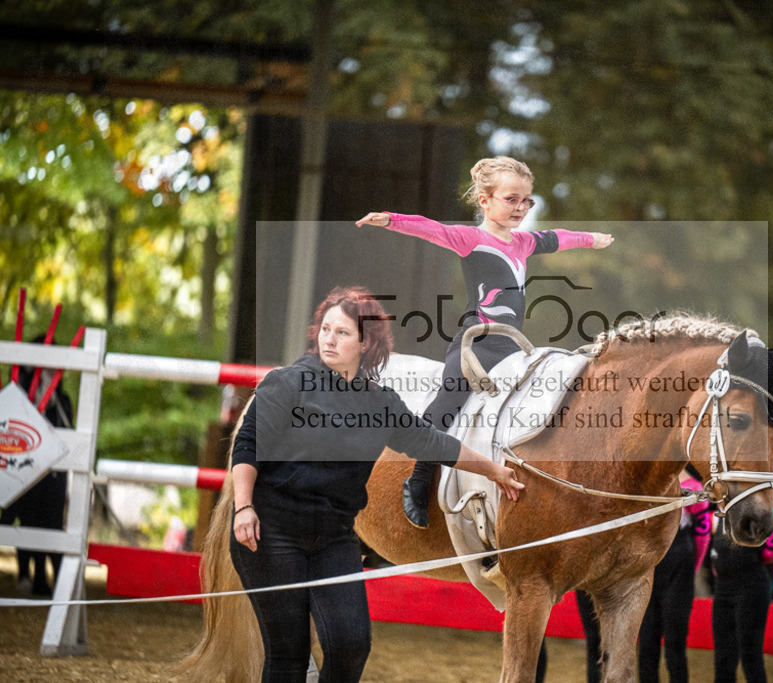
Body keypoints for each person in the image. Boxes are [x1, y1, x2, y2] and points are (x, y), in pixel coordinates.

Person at [229, 285, 524, 682]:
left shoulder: (379, 404)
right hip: (273, 528)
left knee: (351, 646)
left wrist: (495, 471)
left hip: (333, 537)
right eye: (326, 329)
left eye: (343, 333)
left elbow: (432, 441)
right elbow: (247, 446)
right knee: (289, 654)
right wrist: (243, 507)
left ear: (366, 344)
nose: (329, 339)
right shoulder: (287, 383)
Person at [356, 155, 614, 528]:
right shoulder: (471, 239)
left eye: (527, 201)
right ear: (485, 201)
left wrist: (591, 240)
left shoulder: (524, 242)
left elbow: (557, 238)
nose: (520, 208)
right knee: (446, 405)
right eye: (511, 199)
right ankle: (419, 476)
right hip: (474, 343)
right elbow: (429, 229)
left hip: (512, 346)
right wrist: (390, 219)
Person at [0, 340, 73, 597]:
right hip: (26, 468)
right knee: (27, 517)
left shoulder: (60, 401)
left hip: (53, 475)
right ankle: (26, 573)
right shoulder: (18, 394)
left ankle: (56, 582)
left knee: (51, 522)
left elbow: (65, 432)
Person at [636, 470, 712, 682]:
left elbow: (703, 534)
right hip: (648, 571)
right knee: (646, 642)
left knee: (674, 645)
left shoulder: (693, 487)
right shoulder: (648, 480)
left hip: (679, 570)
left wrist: (692, 570)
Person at [710, 500, 773, 683]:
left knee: (750, 655)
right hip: (722, 588)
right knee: (722, 658)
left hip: (751, 586)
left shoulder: (757, 508)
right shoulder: (716, 515)